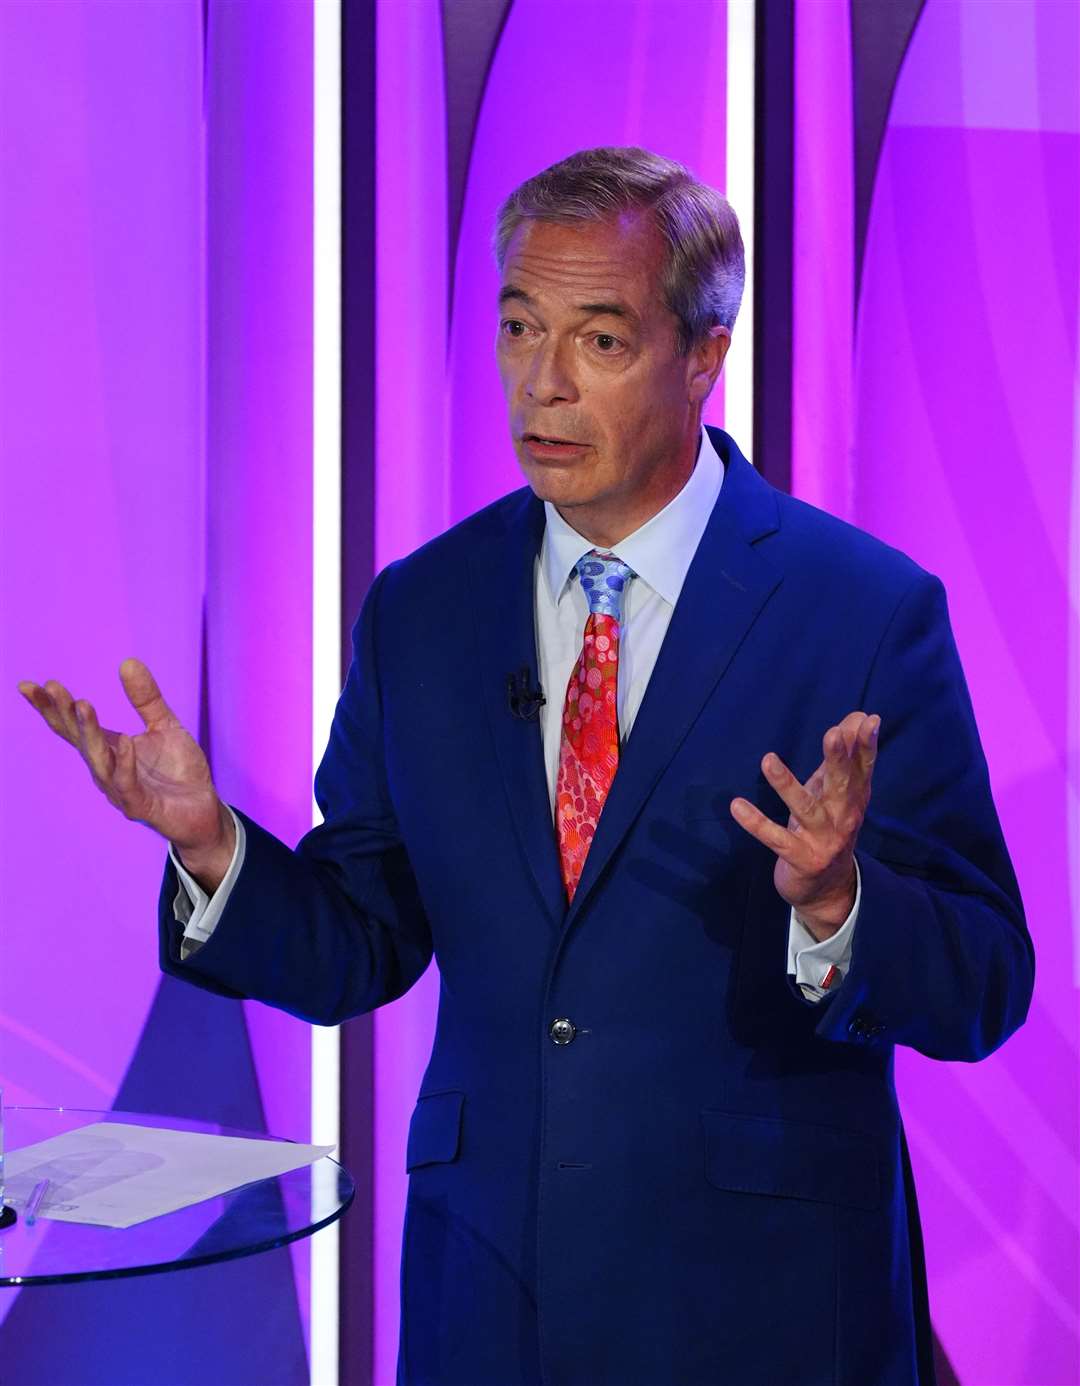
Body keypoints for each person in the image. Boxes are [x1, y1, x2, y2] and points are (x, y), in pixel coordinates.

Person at [19, 147, 1033, 1385]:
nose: (540, 385)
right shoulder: (424, 610)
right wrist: (212, 846)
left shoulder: (861, 609)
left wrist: (839, 906)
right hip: (487, 1294)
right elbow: (363, 937)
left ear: (704, 358)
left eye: (598, 341)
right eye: (517, 327)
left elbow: (985, 978)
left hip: (759, 1306)